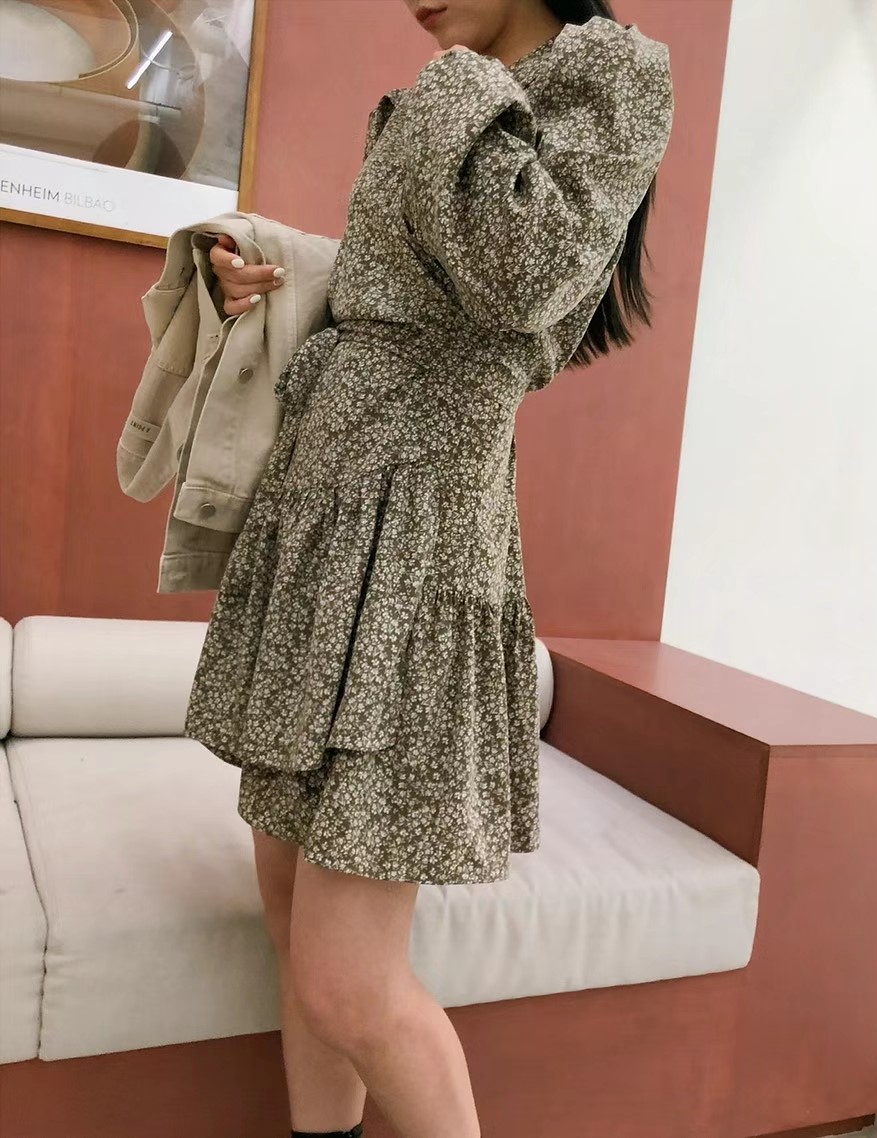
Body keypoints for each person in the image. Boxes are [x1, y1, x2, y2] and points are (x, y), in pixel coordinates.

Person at [186, 1, 673, 1135]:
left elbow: (527, 275)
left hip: (419, 547)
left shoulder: (611, 70)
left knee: (348, 984)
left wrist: (457, 77)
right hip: (323, 528)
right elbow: (399, 292)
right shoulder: (470, 91)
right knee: (288, 914)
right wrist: (273, 268)